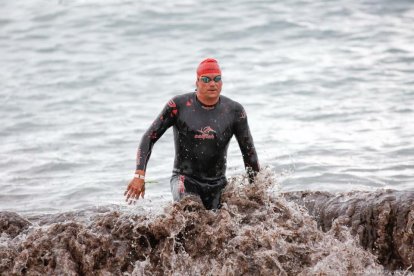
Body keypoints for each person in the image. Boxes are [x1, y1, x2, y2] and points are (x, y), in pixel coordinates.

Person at [124, 58, 260, 210]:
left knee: (224, 222)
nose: (212, 84)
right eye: (206, 79)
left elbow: (248, 152)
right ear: (197, 82)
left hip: (218, 183)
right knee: (190, 211)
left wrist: (257, 191)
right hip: (185, 179)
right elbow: (149, 137)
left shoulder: (234, 111)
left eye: (217, 79)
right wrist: (139, 175)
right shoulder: (178, 106)